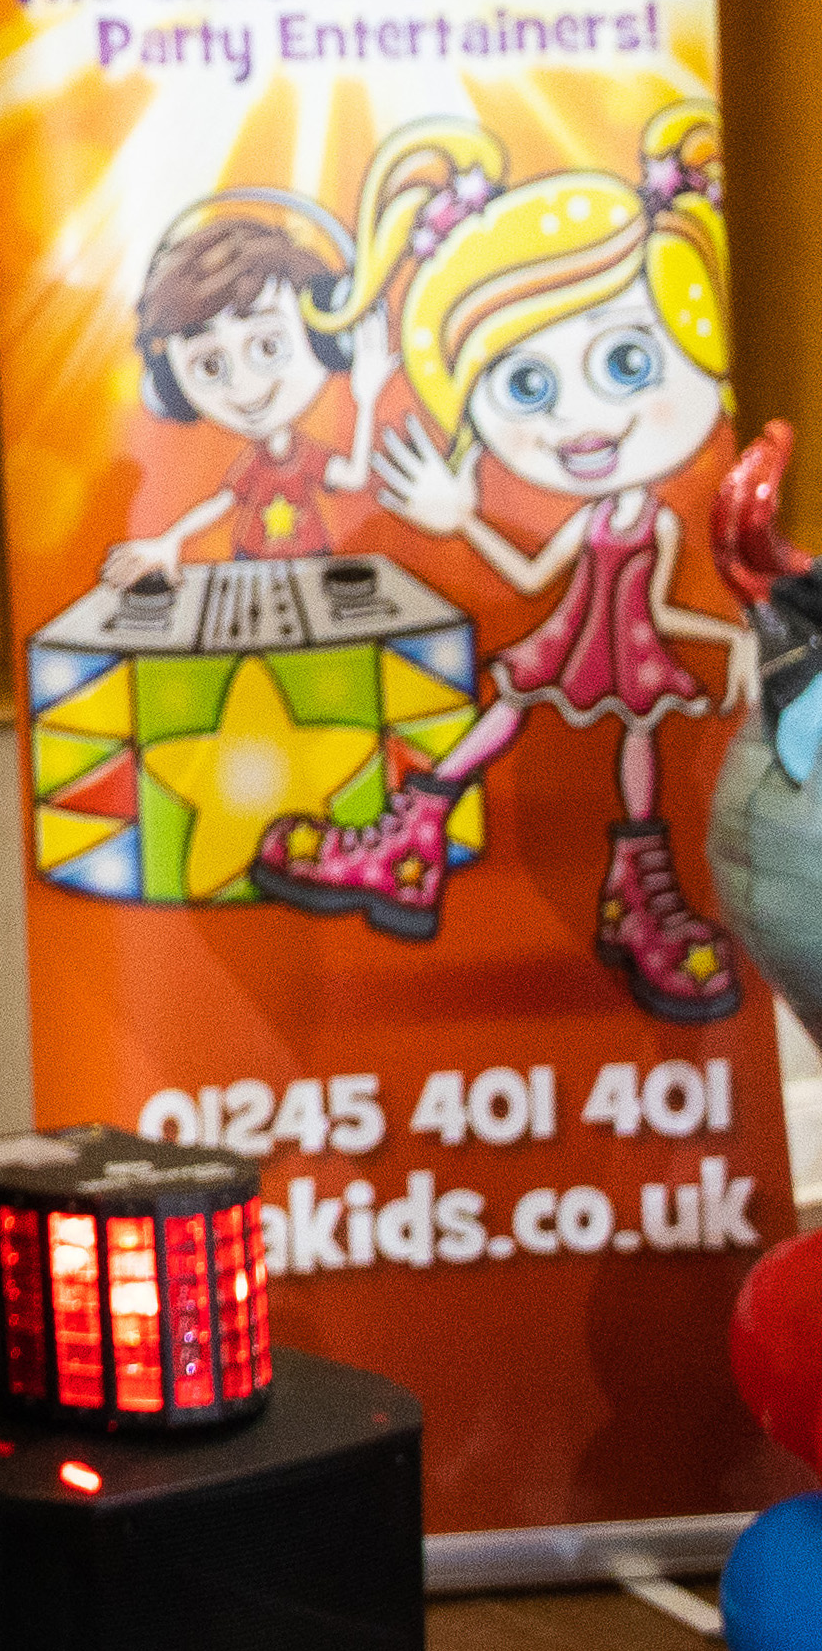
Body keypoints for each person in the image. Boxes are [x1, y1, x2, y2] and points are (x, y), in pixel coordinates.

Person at [251, 106, 755, 1012]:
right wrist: (459, 515)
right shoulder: (607, 520)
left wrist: (733, 636)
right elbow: (532, 582)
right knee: (509, 713)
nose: (580, 420)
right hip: (574, 639)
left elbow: (653, 604)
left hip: (629, 651)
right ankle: (414, 840)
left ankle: (635, 893)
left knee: (623, 746)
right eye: (527, 385)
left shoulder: (654, 516)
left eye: (631, 362)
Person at [96, 195, 385, 586]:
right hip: (249, 562)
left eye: (269, 347)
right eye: (209, 365)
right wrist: (170, 541)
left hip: (311, 567)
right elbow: (223, 502)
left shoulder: (306, 456)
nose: (244, 388)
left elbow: (353, 477)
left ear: (332, 339)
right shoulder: (255, 464)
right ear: (168, 386)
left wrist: (366, 397)